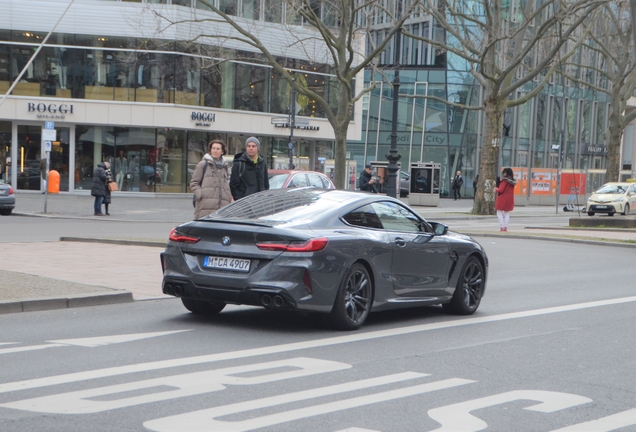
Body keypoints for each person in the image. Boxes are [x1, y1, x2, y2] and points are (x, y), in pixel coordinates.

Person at [191, 139, 232, 219]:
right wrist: (201, 195)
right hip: (205, 206)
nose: (215, 151)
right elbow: (194, 183)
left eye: (218, 149)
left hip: (222, 206)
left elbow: (227, 183)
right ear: (210, 150)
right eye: (213, 148)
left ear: (222, 151)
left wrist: (228, 197)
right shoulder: (203, 164)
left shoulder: (225, 166)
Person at [230, 137, 269, 201]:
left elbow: (265, 184)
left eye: (253, 146)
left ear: (258, 148)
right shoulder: (239, 163)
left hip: (260, 202)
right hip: (244, 203)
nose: (251, 148)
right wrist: (240, 199)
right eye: (249, 146)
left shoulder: (262, 163)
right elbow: (233, 185)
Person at [495, 167, 517, 232]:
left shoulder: (504, 181)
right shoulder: (512, 182)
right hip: (509, 199)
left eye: (504, 172)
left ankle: (502, 227)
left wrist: (495, 189)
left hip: (502, 198)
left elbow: (500, 190)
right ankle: (505, 227)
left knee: (499, 212)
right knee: (507, 213)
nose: (503, 173)